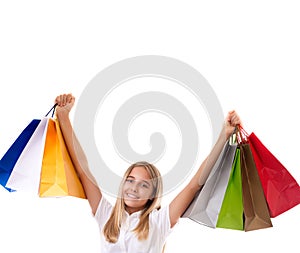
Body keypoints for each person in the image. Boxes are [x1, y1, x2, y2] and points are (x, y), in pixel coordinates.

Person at [55, 93, 241, 253]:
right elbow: (82, 168)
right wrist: (63, 117)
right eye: (130, 180)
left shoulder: (159, 222)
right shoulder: (106, 214)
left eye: (144, 184)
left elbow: (195, 185)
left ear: (153, 194)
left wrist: (223, 136)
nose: (133, 188)